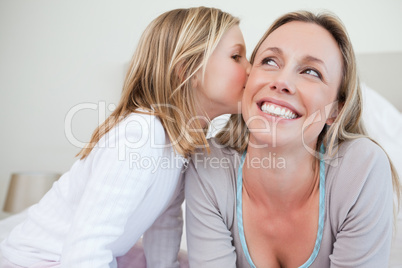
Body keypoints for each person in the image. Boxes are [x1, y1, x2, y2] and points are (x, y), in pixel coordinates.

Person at [0, 6, 250, 267]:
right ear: (188, 70)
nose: (251, 69)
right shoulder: (141, 135)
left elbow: (164, 221)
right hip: (40, 258)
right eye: (237, 56)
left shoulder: (185, 140)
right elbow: (88, 243)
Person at [185, 10, 401, 267]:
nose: (282, 81)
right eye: (270, 62)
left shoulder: (360, 169)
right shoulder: (209, 165)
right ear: (248, 77)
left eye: (311, 72)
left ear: (336, 111)